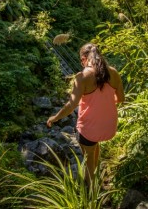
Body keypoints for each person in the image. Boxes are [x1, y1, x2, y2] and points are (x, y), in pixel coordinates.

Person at [47, 43, 124, 186]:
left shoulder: (82, 77)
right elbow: (120, 99)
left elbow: (71, 106)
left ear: (83, 59)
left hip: (89, 130)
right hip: (109, 128)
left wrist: (55, 117)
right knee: (94, 144)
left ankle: (92, 192)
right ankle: (98, 173)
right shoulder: (113, 72)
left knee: (88, 162)